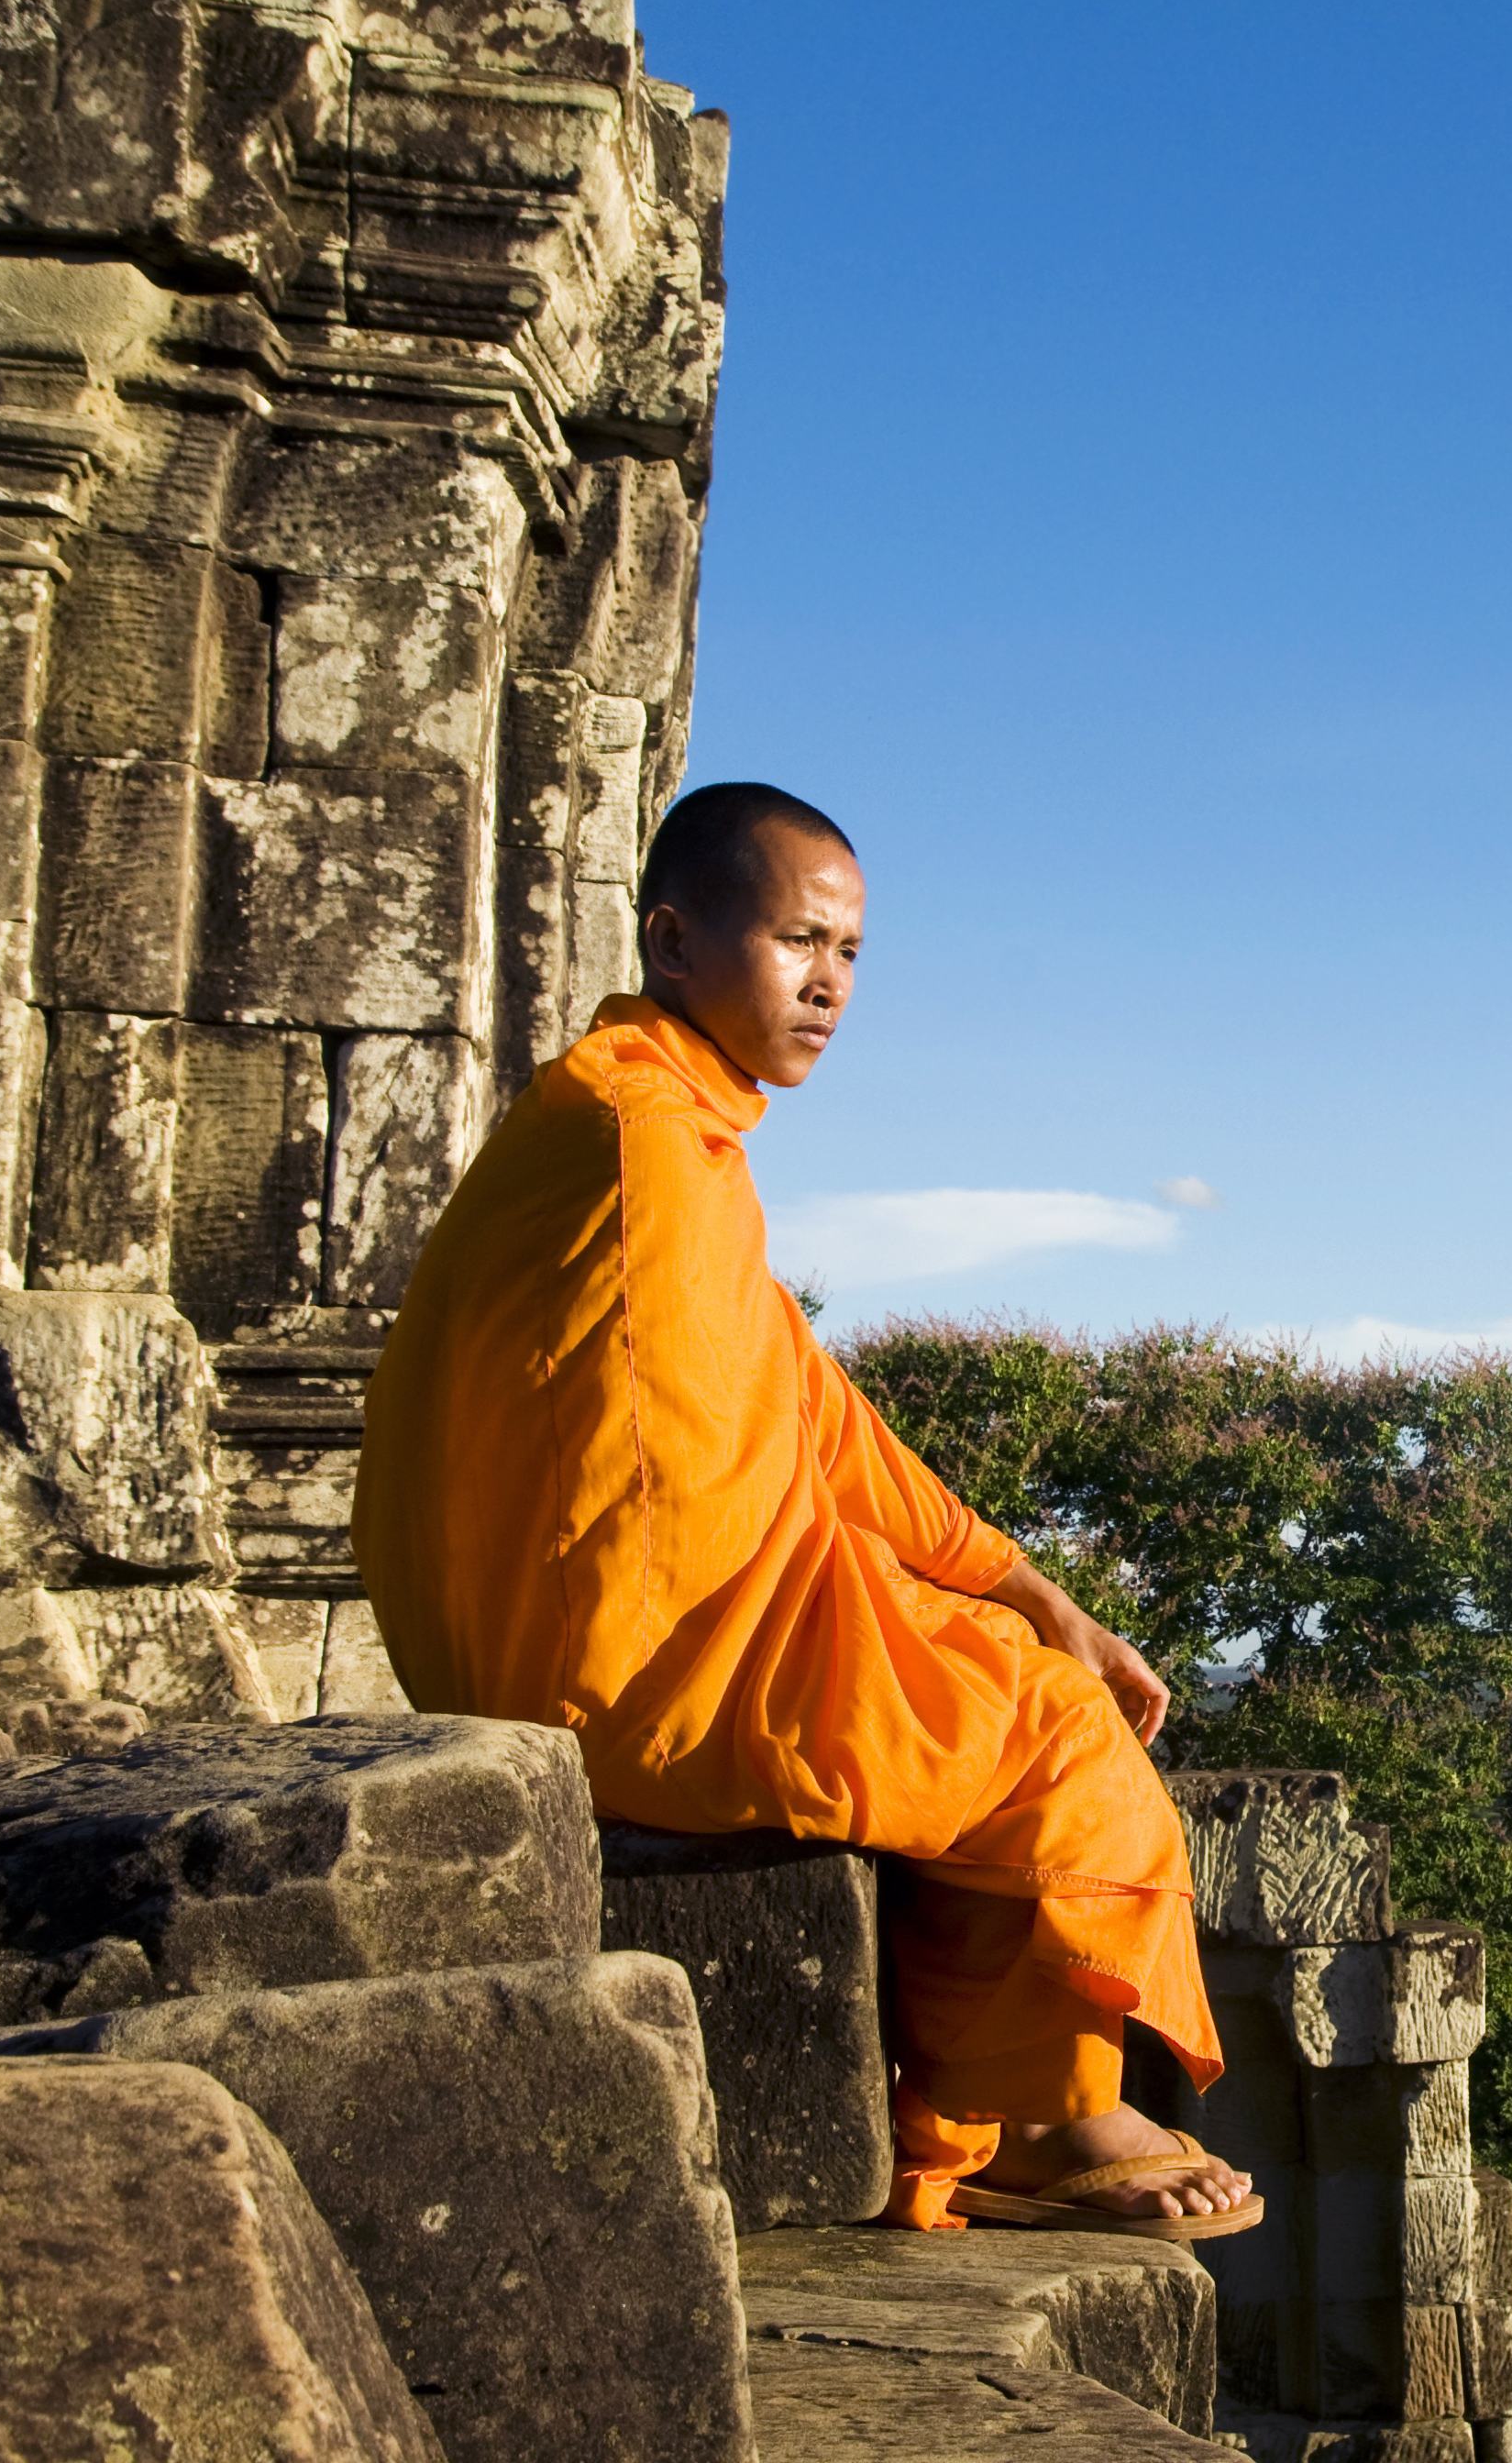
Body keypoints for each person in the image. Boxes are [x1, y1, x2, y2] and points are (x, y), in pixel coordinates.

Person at [356, 782, 1253, 2237]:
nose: (829, 983)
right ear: (676, 940)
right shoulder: (636, 1139)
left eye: (849, 950)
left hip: (554, 1644)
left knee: (999, 1667)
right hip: (621, 1676)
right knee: (1055, 1730)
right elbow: (706, 1467)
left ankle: (988, 2099)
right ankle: (1035, 2124)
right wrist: (962, 1622)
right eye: (795, 941)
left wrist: (1027, 1588)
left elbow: (798, 1409)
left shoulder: (652, 1119)